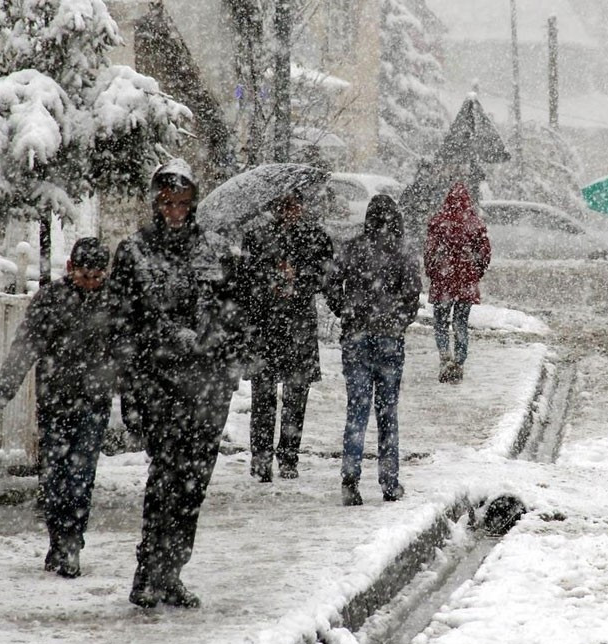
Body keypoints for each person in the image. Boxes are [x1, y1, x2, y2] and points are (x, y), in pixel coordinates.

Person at [110, 158, 243, 608]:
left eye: (183, 203)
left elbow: (236, 316)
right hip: (159, 386)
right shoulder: (134, 253)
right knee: (165, 479)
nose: (175, 212)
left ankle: (172, 571)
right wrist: (130, 390)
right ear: (155, 202)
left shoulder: (217, 251)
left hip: (206, 389)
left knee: (194, 485)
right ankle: (147, 570)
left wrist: (227, 365)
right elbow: (122, 326)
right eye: (167, 203)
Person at [0, 237, 113, 579]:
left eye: (97, 276)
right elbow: (27, 343)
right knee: (55, 475)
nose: (91, 282)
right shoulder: (51, 299)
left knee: (81, 475)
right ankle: (58, 537)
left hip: (94, 401)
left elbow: (127, 351)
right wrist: (7, 383)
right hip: (56, 400)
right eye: (85, 274)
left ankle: (72, 540)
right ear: (71, 268)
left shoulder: (113, 302)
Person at [326, 195, 421, 506]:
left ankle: (350, 478)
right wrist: (398, 321)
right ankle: (389, 481)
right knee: (387, 412)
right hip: (389, 340)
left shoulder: (351, 248)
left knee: (357, 410)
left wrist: (345, 310)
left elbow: (330, 284)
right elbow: (412, 295)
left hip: (355, 338)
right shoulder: (403, 251)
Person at [241, 189, 334, 482]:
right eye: (284, 205)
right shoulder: (256, 237)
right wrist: (270, 280)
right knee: (263, 396)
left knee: (296, 396)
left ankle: (289, 456)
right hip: (265, 326)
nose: (290, 211)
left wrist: (299, 278)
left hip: (298, 326)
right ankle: (261, 458)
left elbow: (325, 275)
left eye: (295, 204)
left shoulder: (315, 237)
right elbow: (245, 279)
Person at [424, 181, 491, 383]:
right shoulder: (475, 224)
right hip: (465, 281)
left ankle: (445, 355)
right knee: (461, 323)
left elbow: (429, 252)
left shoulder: (438, 222)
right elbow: (485, 253)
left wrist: (433, 272)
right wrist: (475, 272)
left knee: (441, 323)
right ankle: (459, 361)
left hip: (443, 280)